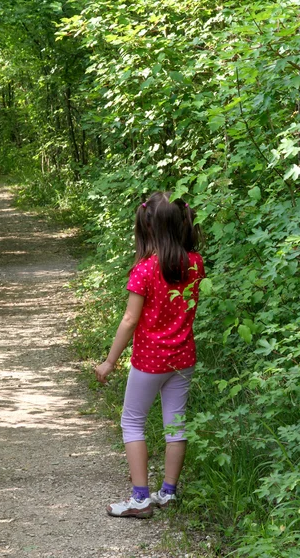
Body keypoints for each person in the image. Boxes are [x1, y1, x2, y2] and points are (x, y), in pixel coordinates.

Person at [95, 191, 205, 518]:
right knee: (176, 424)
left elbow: (130, 320)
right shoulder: (195, 264)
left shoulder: (144, 270)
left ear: (148, 227)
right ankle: (168, 492)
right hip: (183, 359)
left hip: (149, 361)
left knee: (132, 422)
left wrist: (110, 361)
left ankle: (140, 498)